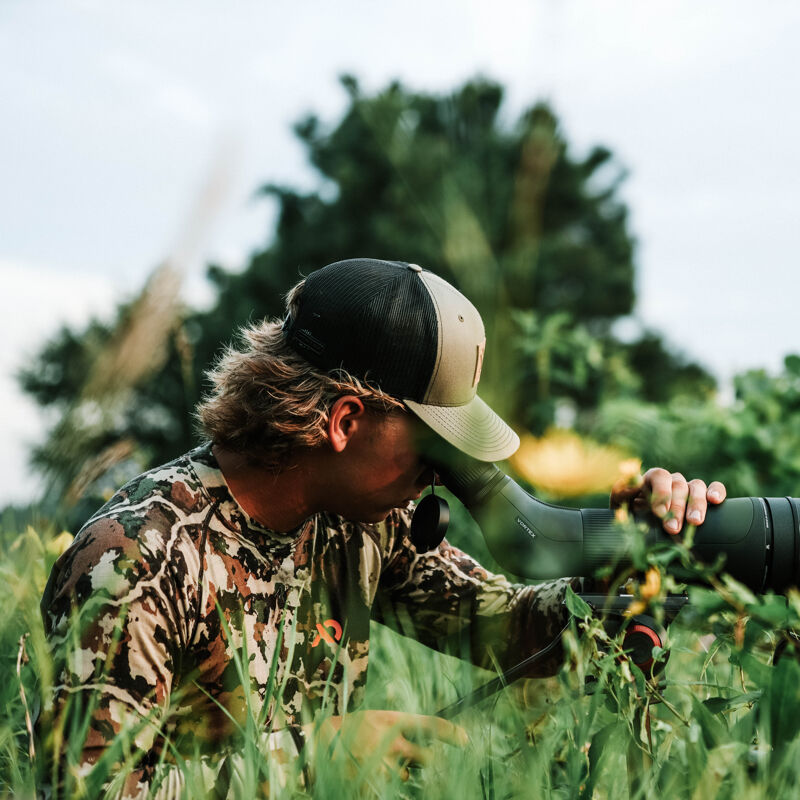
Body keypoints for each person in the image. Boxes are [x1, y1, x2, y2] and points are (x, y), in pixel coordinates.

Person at [40, 258, 726, 797]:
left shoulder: (361, 525)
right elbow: (86, 791)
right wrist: (310, 762)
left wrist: (636, 550)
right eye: (435, 443)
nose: (441, 473)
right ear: (343, 422)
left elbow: (514, 631)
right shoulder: (135, 560)